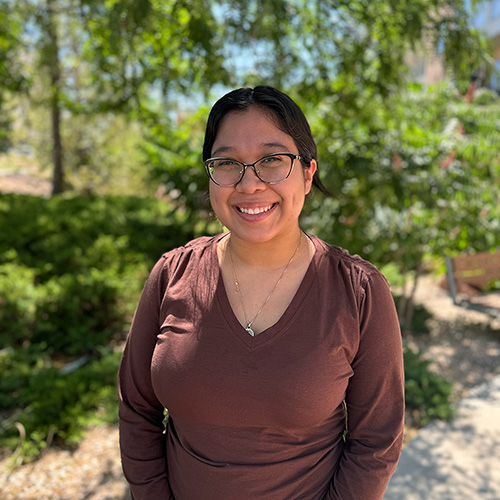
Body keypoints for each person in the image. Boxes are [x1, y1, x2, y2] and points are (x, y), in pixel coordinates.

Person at [118, 86, 404, 500]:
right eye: (228, 163)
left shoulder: (359, 292)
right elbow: (137, 408)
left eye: (272, 160)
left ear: (307, 174)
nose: (249, 184)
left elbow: (376, 441)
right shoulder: (171, 274)